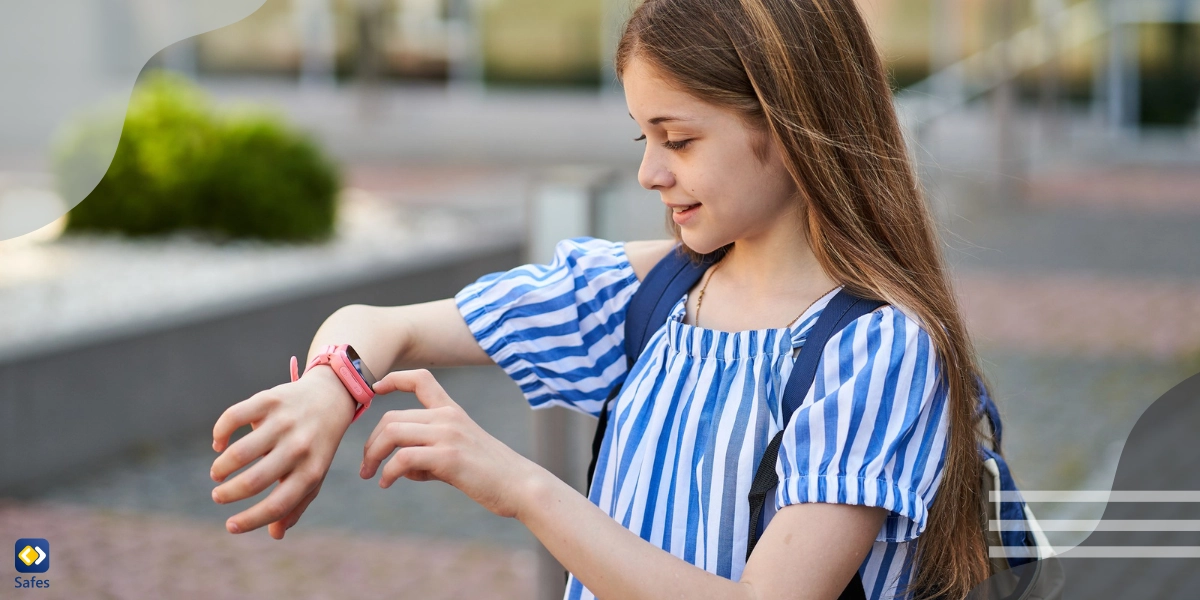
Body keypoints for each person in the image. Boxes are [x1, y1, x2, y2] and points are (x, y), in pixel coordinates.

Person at [209, 0, 995, 598]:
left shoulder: (878, 349)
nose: (651, 172)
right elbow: (383, 328)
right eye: (640, 138)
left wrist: (520, 487)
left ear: (790, 125)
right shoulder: (641, 293)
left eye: (678, 139)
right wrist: (329, 389)